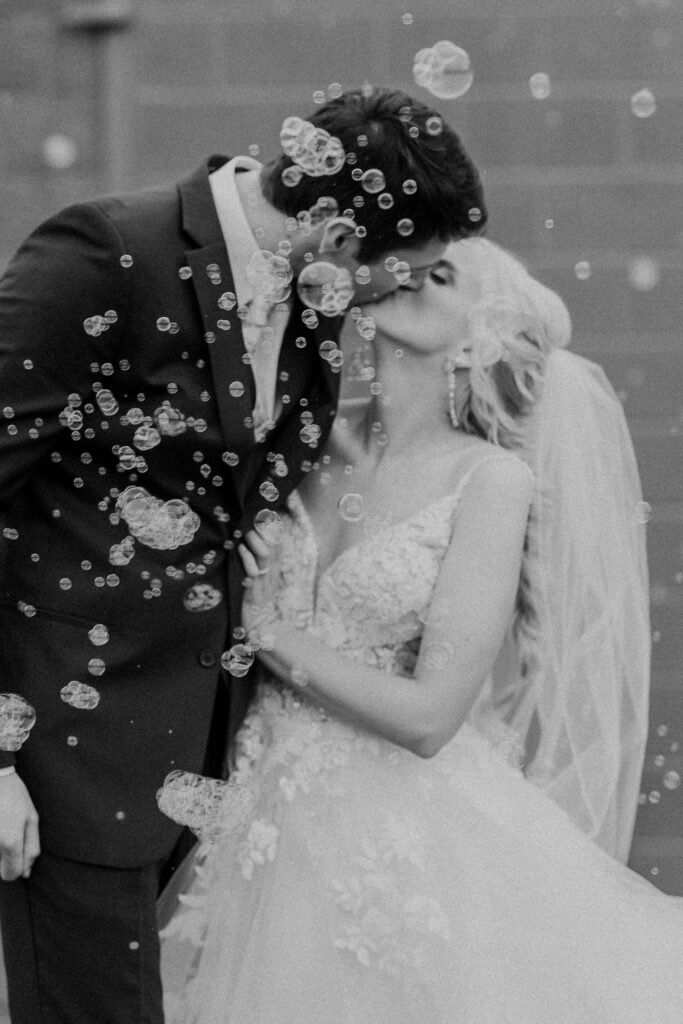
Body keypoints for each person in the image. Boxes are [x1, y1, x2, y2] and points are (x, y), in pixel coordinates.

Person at [0, 88, 487, 1024]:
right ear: (341, 234)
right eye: (401, 273)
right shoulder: (105, 254)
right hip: (66, 755)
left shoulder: (312, 299)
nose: (394, 297)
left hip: (210, 766)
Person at [158, 237, 683, 1024]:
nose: (404, 277)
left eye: (438, 276)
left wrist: (267, 628)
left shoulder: (489, 482)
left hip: (392, 841)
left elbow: (431, 716)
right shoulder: (303, 446)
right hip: (257, 823)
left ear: (475, 340)